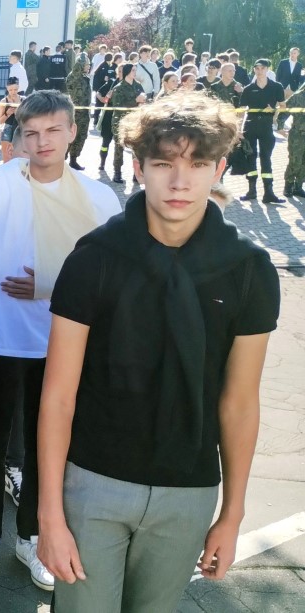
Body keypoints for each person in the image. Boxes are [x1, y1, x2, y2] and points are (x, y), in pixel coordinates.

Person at [38, 91, 280, 613]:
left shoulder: (250, 270)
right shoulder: (94, 259)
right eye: (164, 163)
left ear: (219, 169)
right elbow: (58, 396)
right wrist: (49, 514)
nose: (179, 181)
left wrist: (232, 514)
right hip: (94, 483)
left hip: (188, 491)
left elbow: (240, 402)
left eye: (197, 164)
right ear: (138, 167)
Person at [0, 90, 122, 592]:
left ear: (73, 132)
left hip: (63, 343)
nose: (42, 141)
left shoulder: (99, 198)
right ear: (20, 136)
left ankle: (30, 537)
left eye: (53, 130)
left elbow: (108, 275)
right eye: (31, 132)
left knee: (45, 446)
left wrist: (46, 285)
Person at [239, 59, 287, 204]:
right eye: (257, 68)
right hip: (250, 126)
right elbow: (241, 111)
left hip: (266, 127)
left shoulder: (276, 86)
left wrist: (274, 111)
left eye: (262, 68)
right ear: (254, 70)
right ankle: (251, 191)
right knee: (251, 157)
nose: (259, 71)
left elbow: (283, 107)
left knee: (266, 158)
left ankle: (269, 193)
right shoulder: (248, 88)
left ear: (267, 70)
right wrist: (238, 130)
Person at [109, 64, 148, 184]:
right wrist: (135, 100)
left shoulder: (138, 85)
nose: (135, 72)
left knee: (136, 147)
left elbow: (143, 97)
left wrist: (143, 100)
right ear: (127, 72)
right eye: (133, 70)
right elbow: (117, 105)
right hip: (120, 121)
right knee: (119, 147)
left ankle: (136, 174)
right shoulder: (119, 87)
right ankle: (117, 172)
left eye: (135, 70)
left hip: (135, 121)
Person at [66, 56, 91, 170]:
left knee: (81, 136)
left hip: (85, 112)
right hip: (75, 113)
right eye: (87, 65)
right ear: (81, 65)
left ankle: (73, 160)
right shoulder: (74, 77)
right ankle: (62, 159)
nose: (89, 67)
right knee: (71, 136)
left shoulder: (85, 77)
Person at [96, 63, 120, 172]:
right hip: (109, 116)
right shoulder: (112, 82)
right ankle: (102, 163)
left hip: (122, 117)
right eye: (120, 71)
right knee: (106, 142)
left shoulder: (132, 84)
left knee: (119, 145)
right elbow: (99, 92)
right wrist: (104, 99)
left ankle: (117, 170)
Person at [282, 84, 305, 198]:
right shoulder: (297, 96)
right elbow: (284, 111)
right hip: (297, 135)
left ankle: (298, 187)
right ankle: (288, 186)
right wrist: (280, 127)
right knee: (295, 161)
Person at [0, 77, 24, 163]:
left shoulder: (23, 100)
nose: (13, 92)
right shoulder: (4, 101)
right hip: (7, 129)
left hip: (20, 129)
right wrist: (8, 113)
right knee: (7, 158)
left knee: (20, 158)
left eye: (15, 89)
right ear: (7, 88)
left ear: (18, 87)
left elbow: (25, 118)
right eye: (10, 90)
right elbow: (0, 121)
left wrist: (17, 107)